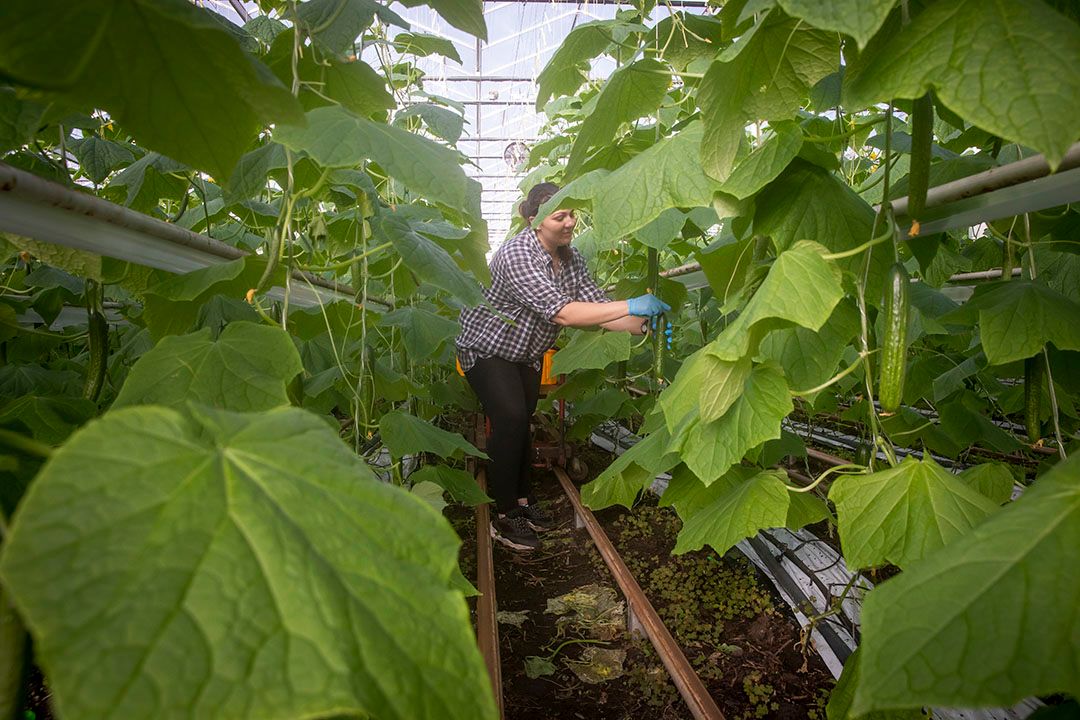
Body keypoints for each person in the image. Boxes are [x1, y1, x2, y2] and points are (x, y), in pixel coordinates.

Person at [456, 182, 670, 550]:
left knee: (521, 423)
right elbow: (565, 313)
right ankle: (503, 517)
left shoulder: (570, 259)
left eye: (572, 214)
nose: (569, 223)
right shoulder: (516, 254)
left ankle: (522, 502)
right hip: (485, 348)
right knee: (508, 418)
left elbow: (599, 310)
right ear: (534, 219)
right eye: (560, 216)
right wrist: (632, 303)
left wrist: (646, 325)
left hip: (524, 352)